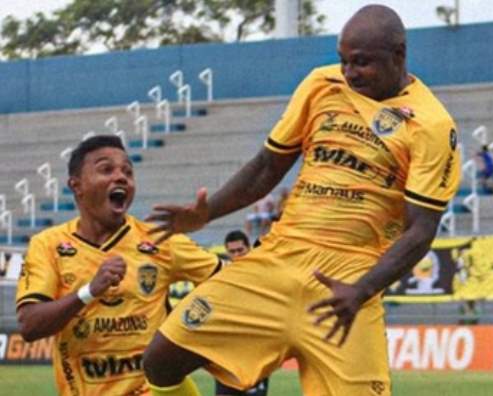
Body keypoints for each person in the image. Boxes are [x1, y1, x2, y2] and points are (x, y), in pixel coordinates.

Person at [143, 5, 461, 396]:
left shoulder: (432, 124)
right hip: (278, 260)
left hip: (347, 282)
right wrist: (207, 213)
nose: (349, 73)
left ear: (398, 54)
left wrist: (361, 290)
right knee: (160, 361)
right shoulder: (320, 85)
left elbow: (422, 230)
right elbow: (266, 167)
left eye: (361, 63)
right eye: (344, 61)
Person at [16, 135, 223, 396]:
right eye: (106, 169)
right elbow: (30, 326)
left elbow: (233, 282)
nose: (121, 177)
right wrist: (89, 291)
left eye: (128, 171)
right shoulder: (49, 245)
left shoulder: (161, 241)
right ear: (76, 185)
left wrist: (193, 326)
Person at [215, 230, 269, 396]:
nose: (237, 255)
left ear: (249, 249)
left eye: (240, 250)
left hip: (256, 348)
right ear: (227, 253)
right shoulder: (220, 277)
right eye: (232, 252)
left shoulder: (263, 275)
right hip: (227, 351)